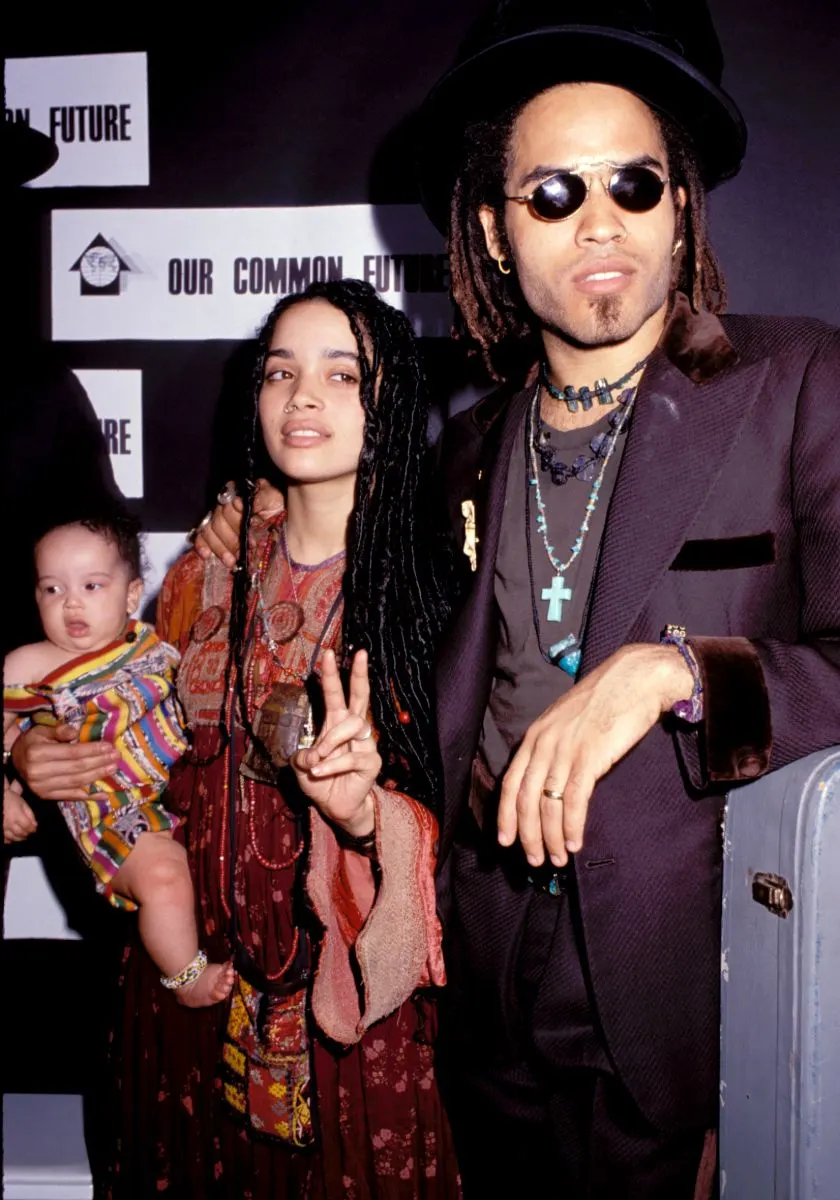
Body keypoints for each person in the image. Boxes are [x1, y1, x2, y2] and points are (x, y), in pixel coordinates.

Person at [410, 1, 840, 1196]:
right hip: (488, 972)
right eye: (552, 193)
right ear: (497, 232)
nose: (599, 222)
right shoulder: (464, 444)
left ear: (682, 202)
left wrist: (680, 672)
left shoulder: (799, 380)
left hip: (688, 998)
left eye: (634, 184)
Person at [12, 279, 460, 1196]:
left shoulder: (434, 592)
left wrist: (373, 815)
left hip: (350, 1019)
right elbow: (113, 721)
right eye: (281, 371)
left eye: (343, 375)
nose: (302, 396)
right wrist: (31, 758)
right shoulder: (201, 577)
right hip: (186, 986)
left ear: (393, 401)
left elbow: (484, 829)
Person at [3, 506, 234, 1007]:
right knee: (164, 877)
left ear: (132, 594)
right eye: (52, 589)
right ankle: (186, 977)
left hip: (183, 791)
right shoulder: (30, 664)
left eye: (91, 586)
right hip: (114, 815)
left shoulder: (147, 642)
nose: (70, 605)